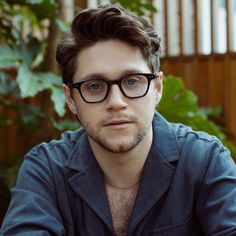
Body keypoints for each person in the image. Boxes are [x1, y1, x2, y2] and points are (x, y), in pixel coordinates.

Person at [1, 3, 236, 236]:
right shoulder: (47, 170)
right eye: (94, 86)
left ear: (157, 88)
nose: (116, 101)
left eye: (132, 81)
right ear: (71, 99)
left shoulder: (205, 161)